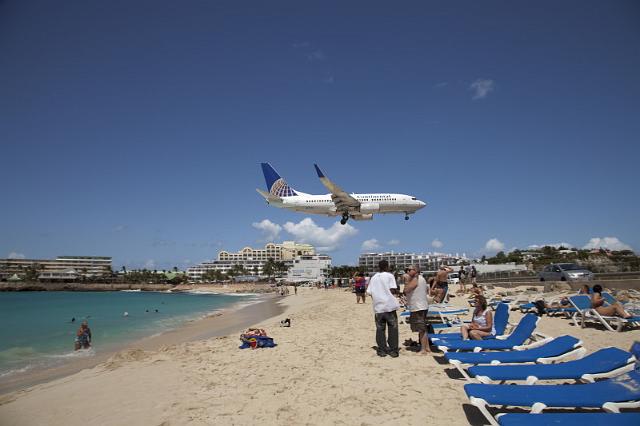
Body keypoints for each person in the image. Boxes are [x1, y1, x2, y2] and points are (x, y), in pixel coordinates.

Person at [366, 260, 400, 357]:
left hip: (378, 307)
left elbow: (369, 292)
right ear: (387, 266)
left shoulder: (374, 277)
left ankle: (382, 350)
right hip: (389, 306)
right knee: (392, 328)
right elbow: (392, 289)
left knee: (380, 329)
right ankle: (393, 350)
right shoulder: (390, 276)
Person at [403, 265, 430, 354]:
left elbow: (406, 290)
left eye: (409, 270)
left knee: (421, 329)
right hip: (422, 305)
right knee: (423, 328)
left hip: (418, 307)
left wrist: (406, 281)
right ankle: (426, 348)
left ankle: (423, 349)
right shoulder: (421, 278)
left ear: (415, 270)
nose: (407, 271)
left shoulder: (415, 279)